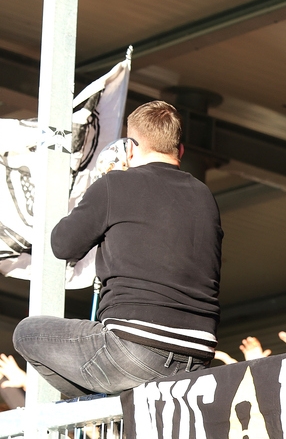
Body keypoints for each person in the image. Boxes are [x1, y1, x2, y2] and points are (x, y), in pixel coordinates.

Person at [13, 101, 223, 397]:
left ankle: (99, 415)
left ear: (131, 147)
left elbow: (62, 244)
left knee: (27, 334)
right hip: (198, 355)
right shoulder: (205, 196)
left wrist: (103, 181)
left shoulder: (115, 184)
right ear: (180, 150)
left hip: (132, 348)